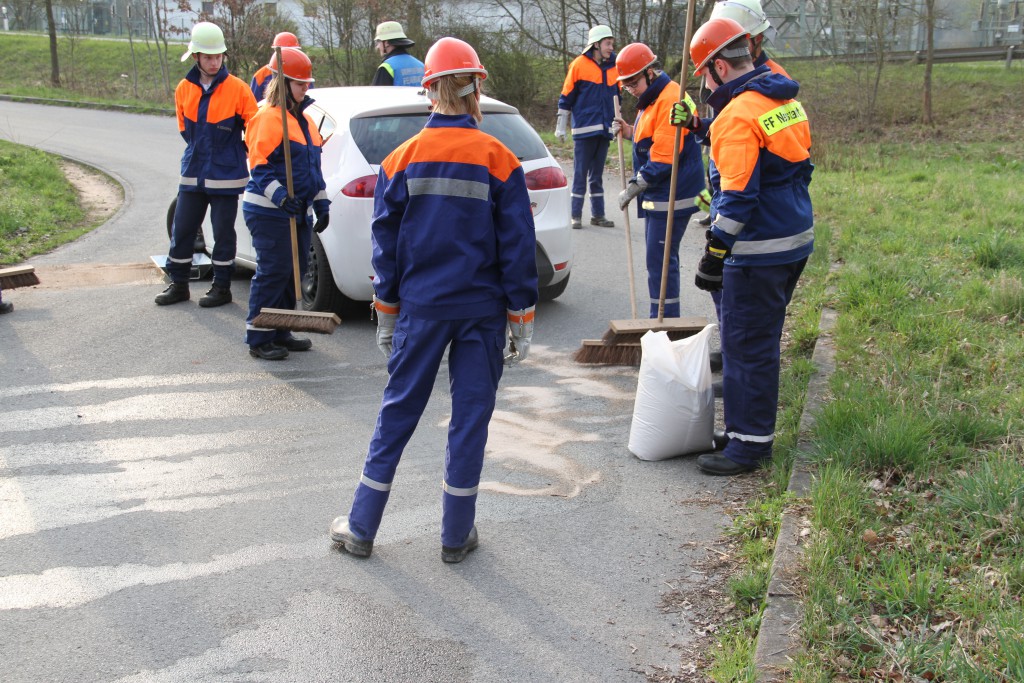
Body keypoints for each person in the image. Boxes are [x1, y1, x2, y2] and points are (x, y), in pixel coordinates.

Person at [330, 37, 538, 563]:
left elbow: (386, 248)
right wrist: (521, 315)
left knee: (397, 415)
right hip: (480, 314)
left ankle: (361, 528)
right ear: (475, 91)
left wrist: (386, 311)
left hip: (421, 312)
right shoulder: (501, 159)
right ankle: (454, 535)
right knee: (470, 419)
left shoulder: (399, 160)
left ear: (428, 92)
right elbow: (516, 250)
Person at [682, 17, 814, 476]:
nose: (703, 82)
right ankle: (742, 430)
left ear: (719, 66)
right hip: (793, 239)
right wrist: (704, 129)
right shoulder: (779, 100)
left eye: (704, 73)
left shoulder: (737, 114)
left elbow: (737, 200)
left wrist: (714, 254)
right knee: (756, 342)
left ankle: (749, 446)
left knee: (746, 346)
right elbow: (784, 169)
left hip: (758, 250)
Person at [156, 22, 258, 307]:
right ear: (196, 57)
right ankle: (178, 284)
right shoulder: (184, 89)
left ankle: (222, 288)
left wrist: (234, 152)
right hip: (193, 170)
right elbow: (184, 130)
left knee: (223, 231)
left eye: (218, 56)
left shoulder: (238, 89)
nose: (215, 62)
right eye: (209, 57)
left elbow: (254, 130)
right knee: (183, 228)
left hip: (225, 174)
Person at [241, 48, 330, 360]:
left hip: (298, 210)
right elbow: (258, 166)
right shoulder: (267, 118)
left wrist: (321, 203)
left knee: (295, 270)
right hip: (268, 211)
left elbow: (313, 171)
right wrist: (281, 197)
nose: (306, 89)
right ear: (282, 82)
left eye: (308, 84)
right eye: (300, 84)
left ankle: (281, 329)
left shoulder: (306, 122)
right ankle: (259, 336)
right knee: (274, 270)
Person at [613, 43, 705, 319]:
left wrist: (634, 186)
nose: (631, 89)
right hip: (663, 194)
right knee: (660, 261)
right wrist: (629, 131)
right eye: (626, 86)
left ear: (650, 72)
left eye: (634, 83)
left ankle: (664, 320)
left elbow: (665, 159)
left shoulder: (669, 99)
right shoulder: (653, 98)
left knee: (661, 262)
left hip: (673, 195)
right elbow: (652, 142)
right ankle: (662, 318)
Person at [556, 25, 619, 229]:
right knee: (581, 174)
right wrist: (561, 126)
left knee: (597, 175)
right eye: (607, 43)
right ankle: (575, 215)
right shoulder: (578, 65)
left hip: (605, 129)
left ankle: (598, 215)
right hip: (584, 129)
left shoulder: (615, 66)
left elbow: (619, 98)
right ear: (596, 44)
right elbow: (566, 98)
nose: (611, 47)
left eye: (612, 43)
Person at [710, 0, 789, 76]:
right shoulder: (724, 75)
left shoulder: (774, 80)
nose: (727, 50)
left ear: (758, 38)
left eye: (736, 41)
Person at [250, 31, 301, 102]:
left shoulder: (302, 73)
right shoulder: (261, 75)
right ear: (276, 51)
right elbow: (254, 104)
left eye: (290, 52)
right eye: (284, 52)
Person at [370, 21, 424, 86]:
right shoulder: (421, 65)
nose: (378, 47)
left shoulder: (386, 67)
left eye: (378, 42)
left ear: (386, 43)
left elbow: (377, 94)